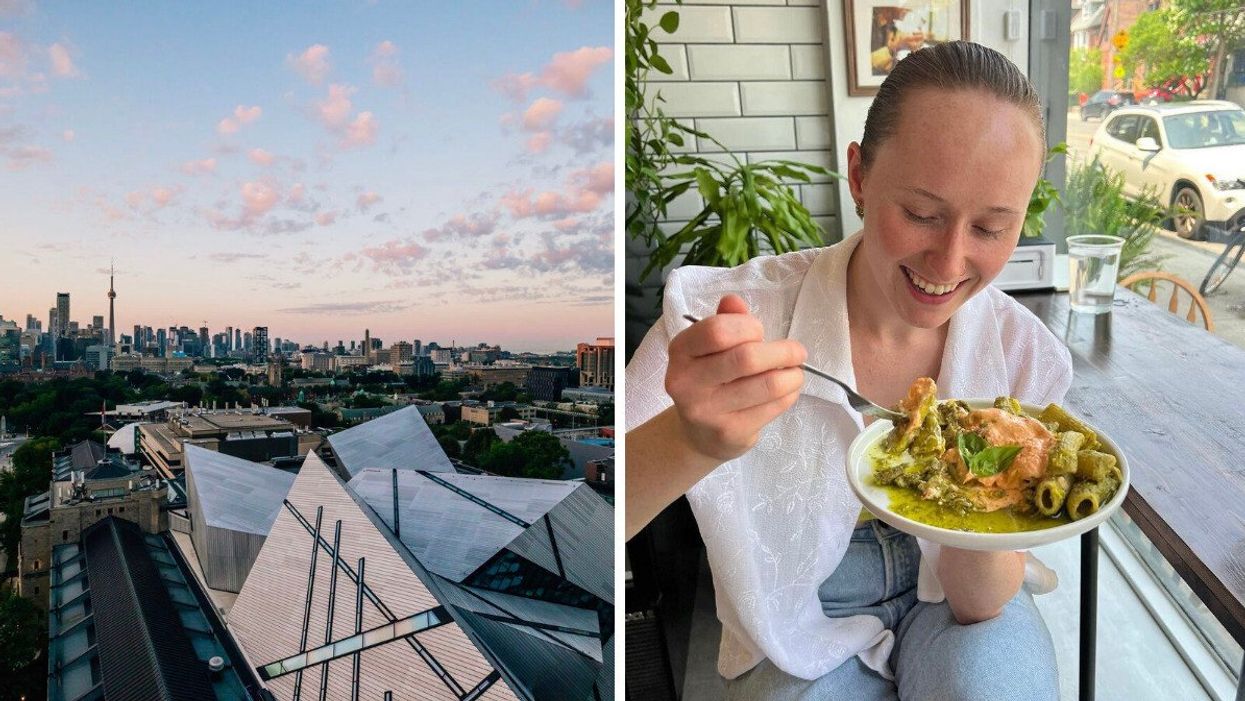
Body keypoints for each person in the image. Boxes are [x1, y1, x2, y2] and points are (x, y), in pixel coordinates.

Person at [626, 41, 1071, 700]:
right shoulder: (722, 318)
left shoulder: (1025, 358)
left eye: (990, 227)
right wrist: (689, 441)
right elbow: (594, 504)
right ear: (858, 177)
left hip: (949, 601)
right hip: (790, 614)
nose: (947, 263)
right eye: (920, 213)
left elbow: (978, 604)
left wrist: (984, 483)